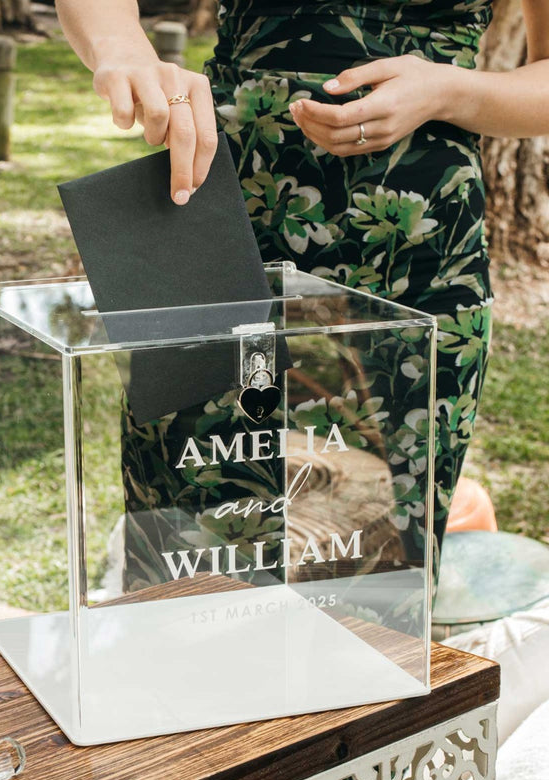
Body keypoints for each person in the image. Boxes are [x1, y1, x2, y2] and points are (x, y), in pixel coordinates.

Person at [55, 0, 549, 579]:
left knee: (375, 579)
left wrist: (448, 91)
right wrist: (123, 51)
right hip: (217, 228)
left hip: (417, 257)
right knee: (190, 555)